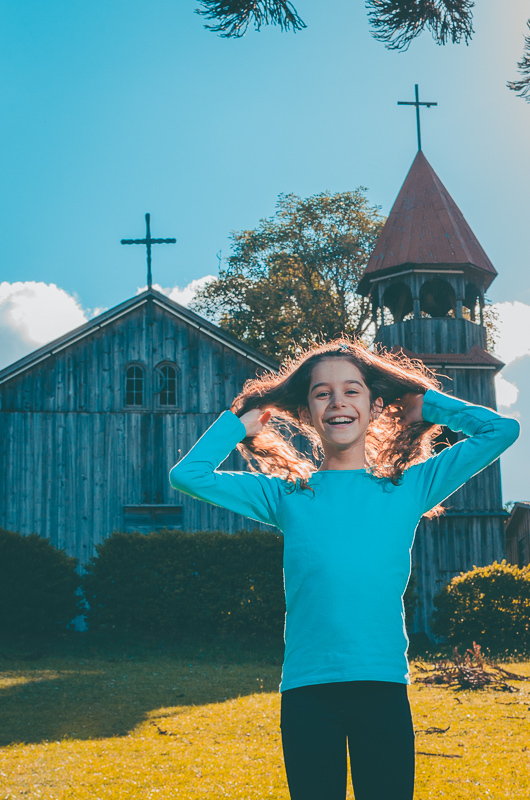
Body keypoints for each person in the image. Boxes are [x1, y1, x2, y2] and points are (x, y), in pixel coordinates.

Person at [169, 337, 520, 800]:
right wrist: (238, 425)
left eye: (352, 390)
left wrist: (427, 405)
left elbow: (501, 431)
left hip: (382, 687)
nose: (338, 402)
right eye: (322, 393)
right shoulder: (287, 494)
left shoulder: (409, 488)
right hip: (307, 692)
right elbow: (187, 476)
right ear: (308, 413)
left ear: (375, 406)